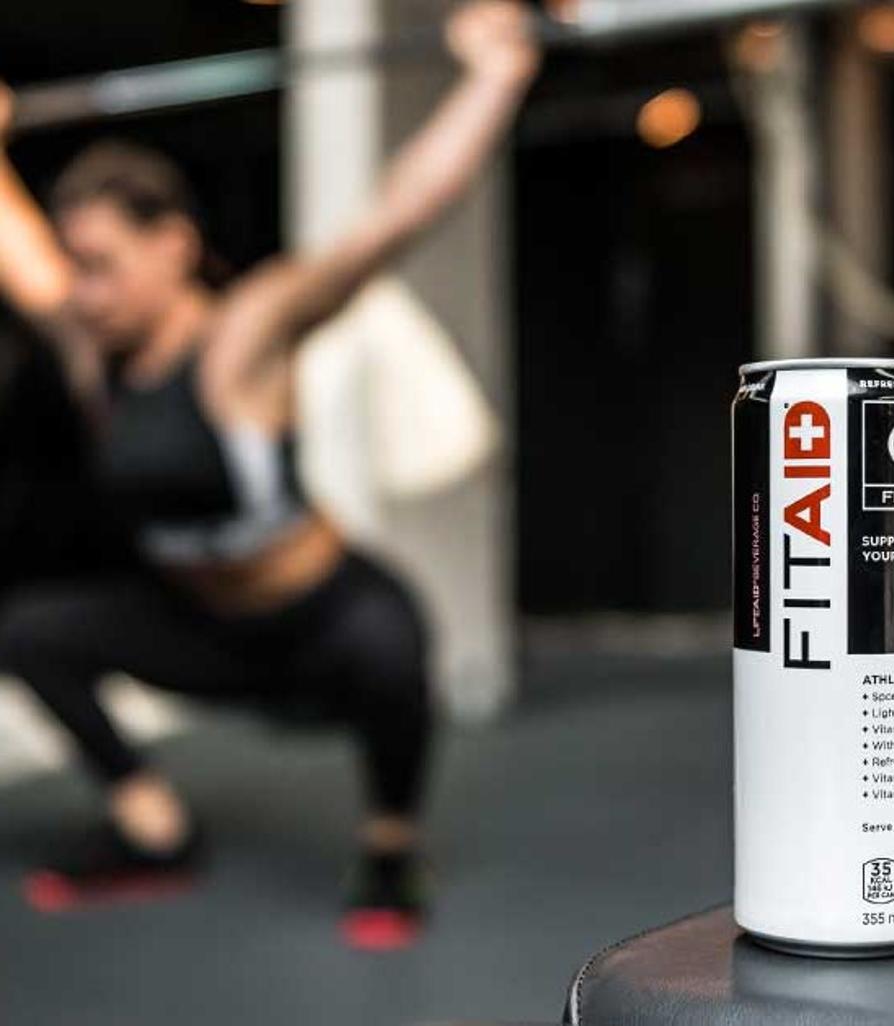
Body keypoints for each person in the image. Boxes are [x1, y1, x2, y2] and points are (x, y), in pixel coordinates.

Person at [0, 0, 539, 949]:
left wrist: (498, 75)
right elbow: (22, 256)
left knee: (393, 642)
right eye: (77, 269)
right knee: (32, 632)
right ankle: (154, 831)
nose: (83, 291)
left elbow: (395, 218)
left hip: (314, 621)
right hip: (197, 627)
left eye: (103, 266)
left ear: (173, 245)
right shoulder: (92, 348)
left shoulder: (242, 338)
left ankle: (390, 847)